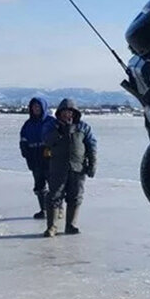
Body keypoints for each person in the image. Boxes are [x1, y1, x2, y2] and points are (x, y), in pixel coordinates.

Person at [43, 98, 96, 237]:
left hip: (77, 168)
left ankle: (71, 225)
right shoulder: (52, 126)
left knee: (75, 196)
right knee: (54, 196)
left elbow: (92, 147)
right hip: (58, 167)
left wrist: (92, 164)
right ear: (60, 113)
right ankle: (52, 227)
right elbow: (47, 141)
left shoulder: (83, 127)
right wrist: (59, 131)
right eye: (65, 112)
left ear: (74, 113)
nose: (67, 115)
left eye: (70, 112)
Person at [19, 97, 56, 219]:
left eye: (38, 107)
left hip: (50, 159)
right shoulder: (28, 124)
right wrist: (25, 153)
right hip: (34, 159)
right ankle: (43, 209)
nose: (36, 109)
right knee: (39, 186)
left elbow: (58, 139)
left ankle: (57, 209)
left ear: (43, 107)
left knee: (54, 186)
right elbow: (23, 140)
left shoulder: (51, 122)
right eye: (34, 107)